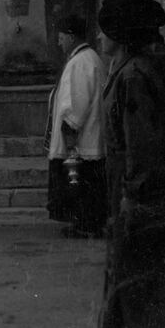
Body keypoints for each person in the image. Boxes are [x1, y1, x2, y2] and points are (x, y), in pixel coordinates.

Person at [97, 0, 165, 328]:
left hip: (141, 188)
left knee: (143, 263)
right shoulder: (135, 67)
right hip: (137, 183)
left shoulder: (134, 76)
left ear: (120, 34)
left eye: (105, 30)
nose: (99, 37)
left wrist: (133, 196)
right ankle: (124, 327)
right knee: (134, 259)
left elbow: (144, 146)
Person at [45, 15, 108, 239]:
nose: (59, 42)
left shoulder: (80, 63)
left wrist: (71, 143)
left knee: (82, 184)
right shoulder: (88, 58)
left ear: (71, 37)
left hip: (82, 142)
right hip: (89, 138)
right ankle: (87, 223)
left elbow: (75, 106)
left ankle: (86, 225)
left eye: (61, 38)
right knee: (88, 185)